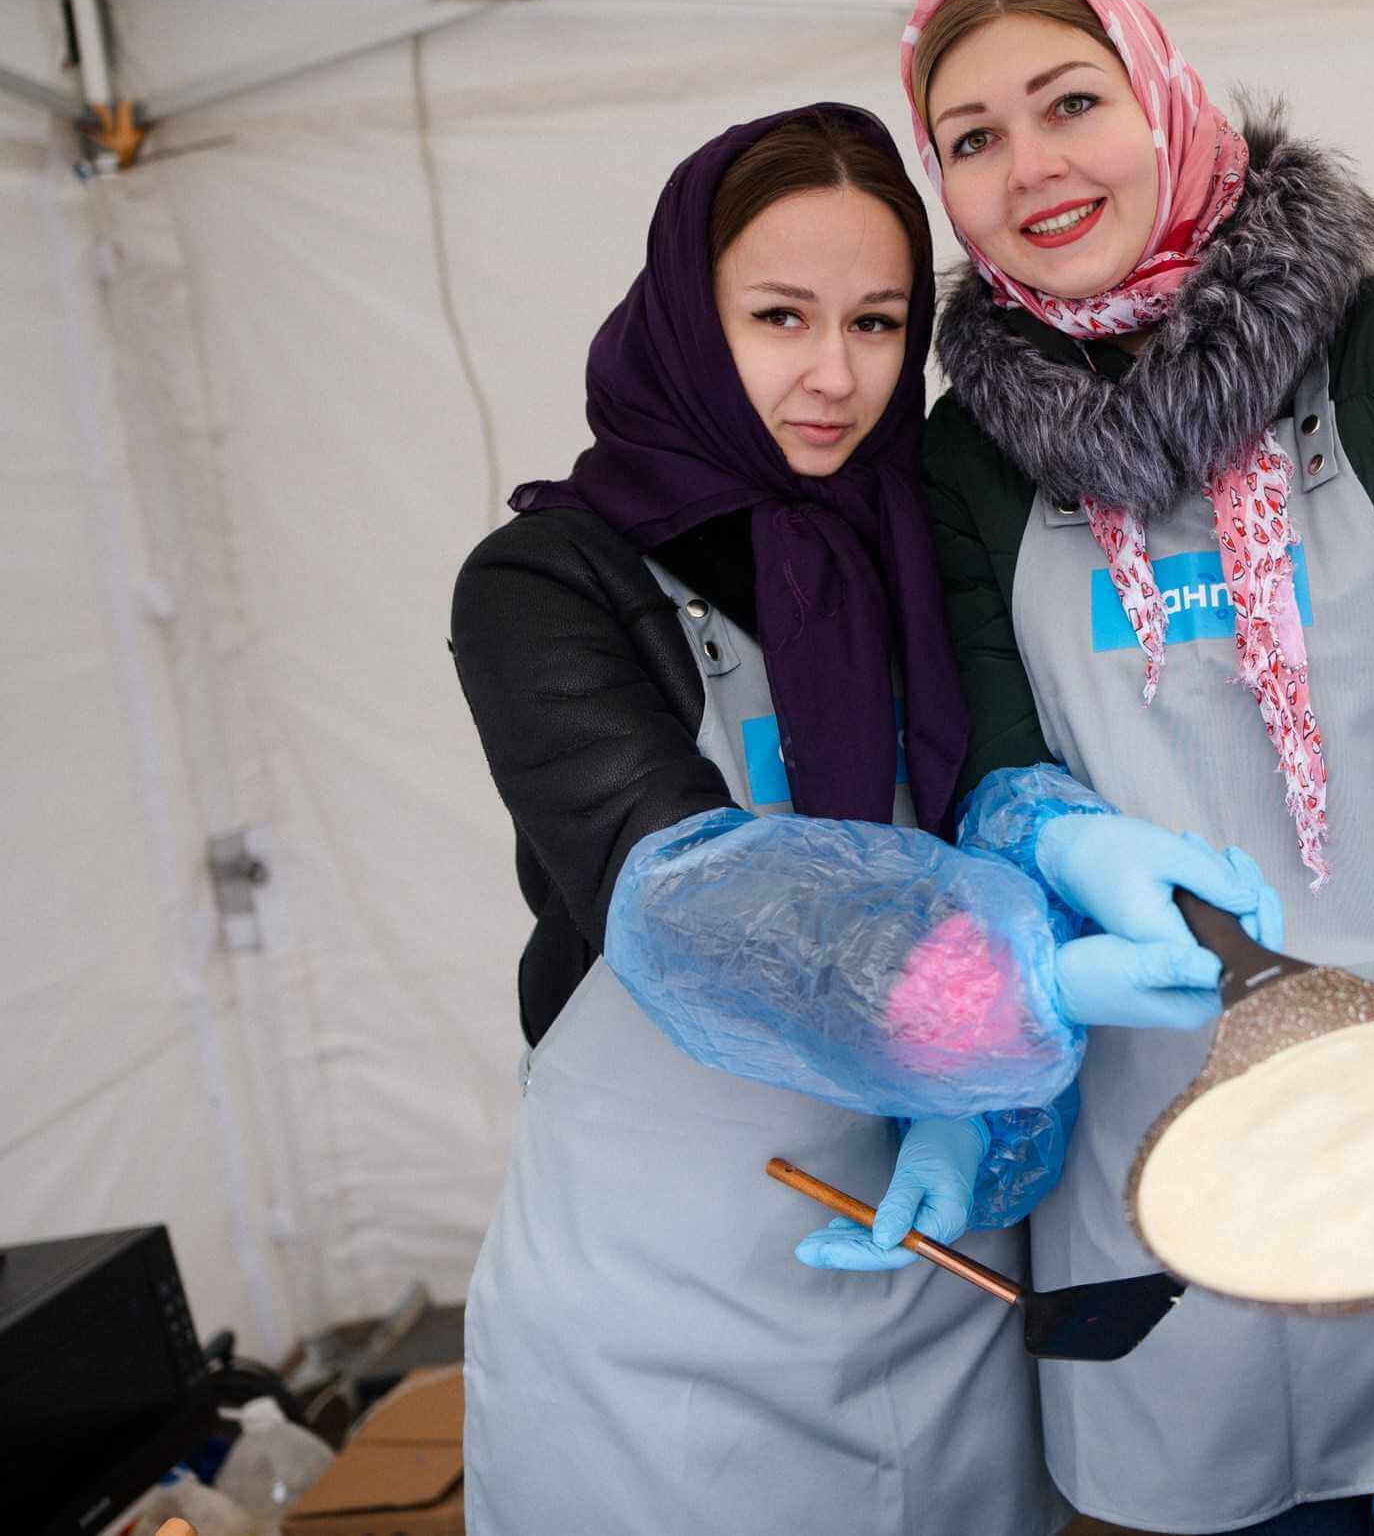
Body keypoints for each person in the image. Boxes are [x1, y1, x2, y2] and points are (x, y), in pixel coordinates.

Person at [449, 104, 1272, 1534]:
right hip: (663, 1316)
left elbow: (975, 798)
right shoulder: (543, 582)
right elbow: (684, 890)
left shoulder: (910, 530)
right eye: (780, 317)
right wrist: (1025, 982)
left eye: (880, 324)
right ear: (688, 319)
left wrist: (1003, 1062)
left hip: (934, 1276)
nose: (834, 377)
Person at [905, 0, 1374, 1534]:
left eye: (1070, 103)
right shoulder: (966, 450)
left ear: (1161, 101)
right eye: (970, 138)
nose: (1031, 165)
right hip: (1158, 1146)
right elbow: (990, 766)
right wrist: (1055, 838)